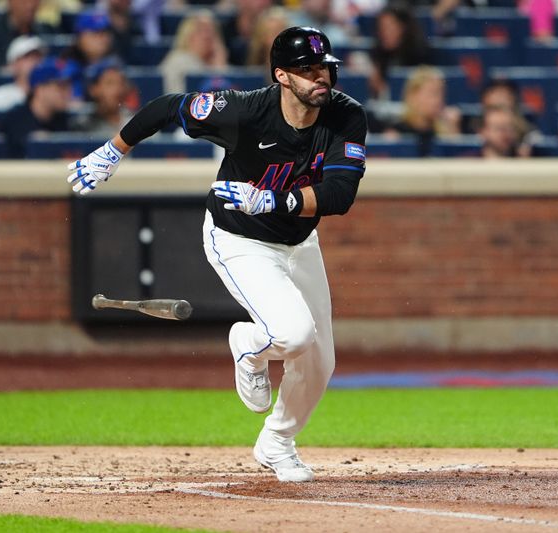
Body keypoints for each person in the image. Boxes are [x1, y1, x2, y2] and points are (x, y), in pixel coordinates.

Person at [65, 27, 367, 483]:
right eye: (307, 70)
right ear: (282, 75)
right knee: (294, 335)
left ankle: (278, 442)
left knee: (321, 361)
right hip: (239, 238)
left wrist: (275, 200)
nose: (320, 77)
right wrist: (114, 151)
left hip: (299, 239)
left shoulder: (346, 116)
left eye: (324, 68)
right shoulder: (243, 110)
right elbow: (168, 106)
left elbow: (340, 194)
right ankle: (248, 345)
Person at [2, 57, 73, 158]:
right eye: (61, 86)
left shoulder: (63, 120)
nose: (68, 93)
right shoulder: (15, 119)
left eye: (68, 86)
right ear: (39, 89)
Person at [386, 65, 460, 156]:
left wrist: (454, 136)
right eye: (433, 93)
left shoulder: (445, 134)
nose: (439, 100)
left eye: (442, 94)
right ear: (413, 96)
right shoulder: (396, 134)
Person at [367, 4, 431, 99]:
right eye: (381, 27)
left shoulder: (420, 54)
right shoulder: (378, 54)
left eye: (389, 27)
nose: (384, 32)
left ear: (403, 28)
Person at [160, 10, 229, 94]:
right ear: (188, 35)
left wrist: (219, 67)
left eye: (211, 30)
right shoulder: (177, 60)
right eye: (202, 30)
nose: (208, 36)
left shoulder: (218, 62)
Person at [0, 0, 56, 66]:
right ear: (10, 2)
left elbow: (60, 65)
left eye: (34, 1)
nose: (30, 6)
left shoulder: (48, 31)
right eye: (24, 1)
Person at [0, 35, 46, 111]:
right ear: (13, 64)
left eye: (38, 57)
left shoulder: (52, 96)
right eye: (28, 57)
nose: (35, 62)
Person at [74, 58, 133, 136]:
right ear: (94, 89)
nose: (117, 89)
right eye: (110, 83)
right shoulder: (83, 126)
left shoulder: (135, 122)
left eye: (121, 83)